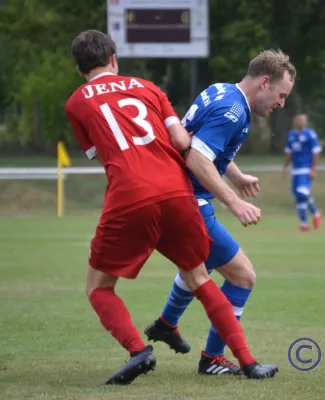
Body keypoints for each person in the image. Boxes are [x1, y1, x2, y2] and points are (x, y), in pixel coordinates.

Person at [64, 29, 278, 385]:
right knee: (201, 278)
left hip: (129, 196)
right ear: (114, 58)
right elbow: (181, 140)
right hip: (178, 194)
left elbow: (102, 154)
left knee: (99, 287)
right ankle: (248, 362)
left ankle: (138, 350)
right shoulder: (148, 87)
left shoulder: (76, 103)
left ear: (79, 69)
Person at [144, 50, 296, 376]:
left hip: (176, 197)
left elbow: (205, 145)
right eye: (281, 95)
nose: (281, 103)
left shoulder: (222, 90)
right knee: (243, 276)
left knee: (202, 266)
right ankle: (212, 358)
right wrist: (234, 201)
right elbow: (197, 158)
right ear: (265, 82)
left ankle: (166, 323)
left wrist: (235, 175)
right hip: (188, 202)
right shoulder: (233, 109)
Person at [282, 113, 322, 231]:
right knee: (298, 198)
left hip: (306, 169)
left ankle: (316, 213)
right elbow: (289, 153)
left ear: (306, 122)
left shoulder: (310, 135)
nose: (300, 122)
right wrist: (285, 167)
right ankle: (304, 224)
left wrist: (313, 169)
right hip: (295, 170)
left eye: (302, 120)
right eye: (298, 120)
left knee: (302, 193)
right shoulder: (291, 135)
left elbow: (316, 152)